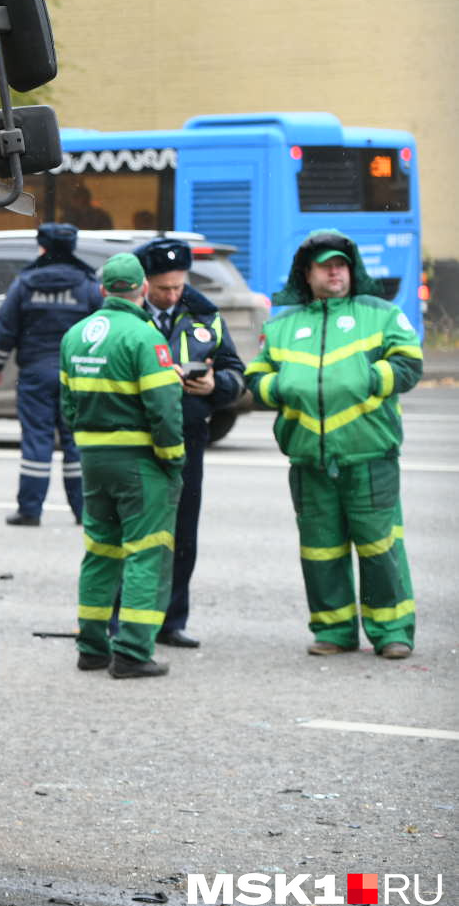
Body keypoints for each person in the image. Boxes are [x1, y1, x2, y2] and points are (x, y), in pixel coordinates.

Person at [244, 230, 422, 658]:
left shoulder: (380, 314)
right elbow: (256, 377)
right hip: (308, 457)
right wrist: (280, 387)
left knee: (380, 547)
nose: (335, 271)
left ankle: (392, 630)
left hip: (369, 454)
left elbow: (410, 365)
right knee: (320, 551)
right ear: (307, 274)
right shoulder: (283, 325)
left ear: (351, 269)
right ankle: (334, 630)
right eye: (325, 265)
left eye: (341, 264)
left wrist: (368, 379)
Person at [60, 252, 183, 679]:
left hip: (93, 459)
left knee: (100, 551)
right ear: (143, 290)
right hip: (140, 461)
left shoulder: (74, 336)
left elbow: (68, 404)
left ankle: (92, 647)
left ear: (102, 290)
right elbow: (164, 407)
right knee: (146, 553)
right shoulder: (145, 337)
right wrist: (173, 457)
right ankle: (132, 651)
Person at [132, 237, 246, 648]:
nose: (172, 294)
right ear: (145, 283)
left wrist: (218, 385)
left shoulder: (205, 316)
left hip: (188, 437)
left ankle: (171, 621)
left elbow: (236, 370)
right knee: (136, 535)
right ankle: (125, 623)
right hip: (138, 439)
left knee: (183, 534)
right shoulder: (128, 315)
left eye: (178, 286)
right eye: (163, 288)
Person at [0, 223, 104, 526]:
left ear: (44, 248)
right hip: (77, 374)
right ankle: (83, 511)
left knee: (37, 442)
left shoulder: (26, 283)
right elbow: (100, 328)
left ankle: (30, 510)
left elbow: (5, 328)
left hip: (36, 374)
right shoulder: (87, 284)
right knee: (76, 441)